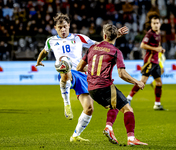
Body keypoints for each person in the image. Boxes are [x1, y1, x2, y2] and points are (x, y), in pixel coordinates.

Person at [36, 13, 128, 142]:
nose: (62, 30)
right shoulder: (51, 41)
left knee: (89, 108)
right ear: (55, 28)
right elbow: (44, 51)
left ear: (69, 26)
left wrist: (115, 35)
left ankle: (75, 136)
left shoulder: (79, 38)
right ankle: (66, 103)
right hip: (67, 72)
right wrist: (39, 60)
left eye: (64, 27)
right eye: (60, 27)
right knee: (64, 68)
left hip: (82, 74)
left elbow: (101, 45)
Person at [77, 24, 148, 146]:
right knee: (127, 109)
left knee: (114, 105)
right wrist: (137, 82)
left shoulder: (92, 48)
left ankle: (109, 127)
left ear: (104, 35)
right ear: (116, 36)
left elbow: (79, 67)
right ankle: (131, 139)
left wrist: (92, 70)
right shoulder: (116, 51)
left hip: (92, 89)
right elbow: (122, 74)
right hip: (104, 86)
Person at [126, 14, 166, 110]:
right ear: (151, 24)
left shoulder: (158, 34)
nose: (156, 25)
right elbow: (142, 45)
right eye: (154, 23)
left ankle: (157, 104)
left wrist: (160, 50)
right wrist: (156, 49)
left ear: (160, 24)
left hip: (156, 62)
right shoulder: (150, 34)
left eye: (157, 23)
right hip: (149, 62)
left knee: (159, 83)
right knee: (142, 82)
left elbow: (156, 48)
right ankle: (128, 98)